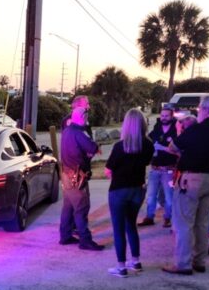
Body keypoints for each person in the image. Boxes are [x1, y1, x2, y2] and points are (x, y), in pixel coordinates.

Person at [162, 95, 209, 275]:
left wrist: (180, 133)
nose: (198, 111)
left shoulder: (197, 129)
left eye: (199, 108)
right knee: (202, 222)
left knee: (184, 222)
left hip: (191, 179)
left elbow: (173, 147)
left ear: (206, 110)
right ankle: (200, 260)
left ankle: (182, 263)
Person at [105, 109, 154, 277]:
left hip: (119, 190)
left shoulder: (120, 146)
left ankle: (121, 267)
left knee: (118, 229)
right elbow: (147, 162)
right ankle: (136, 261)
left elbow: (108, 169)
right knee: (131, 224)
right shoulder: (148, 145)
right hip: (137, 189)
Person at [58, 95, 105, 251]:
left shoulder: (67, 131)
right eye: (86, 116)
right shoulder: (79, 133)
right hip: (77, 176)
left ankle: (65, 235)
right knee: (81, 208)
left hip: (66, 174)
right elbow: (93, 148)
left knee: (68, 207)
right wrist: (93, 150)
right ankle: (85, 240)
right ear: (83, 117)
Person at [138, 105, 178, 228]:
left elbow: (178, 152)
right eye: (162, 115)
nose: (164, 118)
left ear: (172, 116)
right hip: (155, 168)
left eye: (166, 116)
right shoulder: (156, 129)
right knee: (151, 195)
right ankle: (149, 217)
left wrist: (163, 148)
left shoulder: (176, 131)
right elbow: (148, 143)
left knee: (169, 197)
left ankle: (168, 218)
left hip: (169, 169)